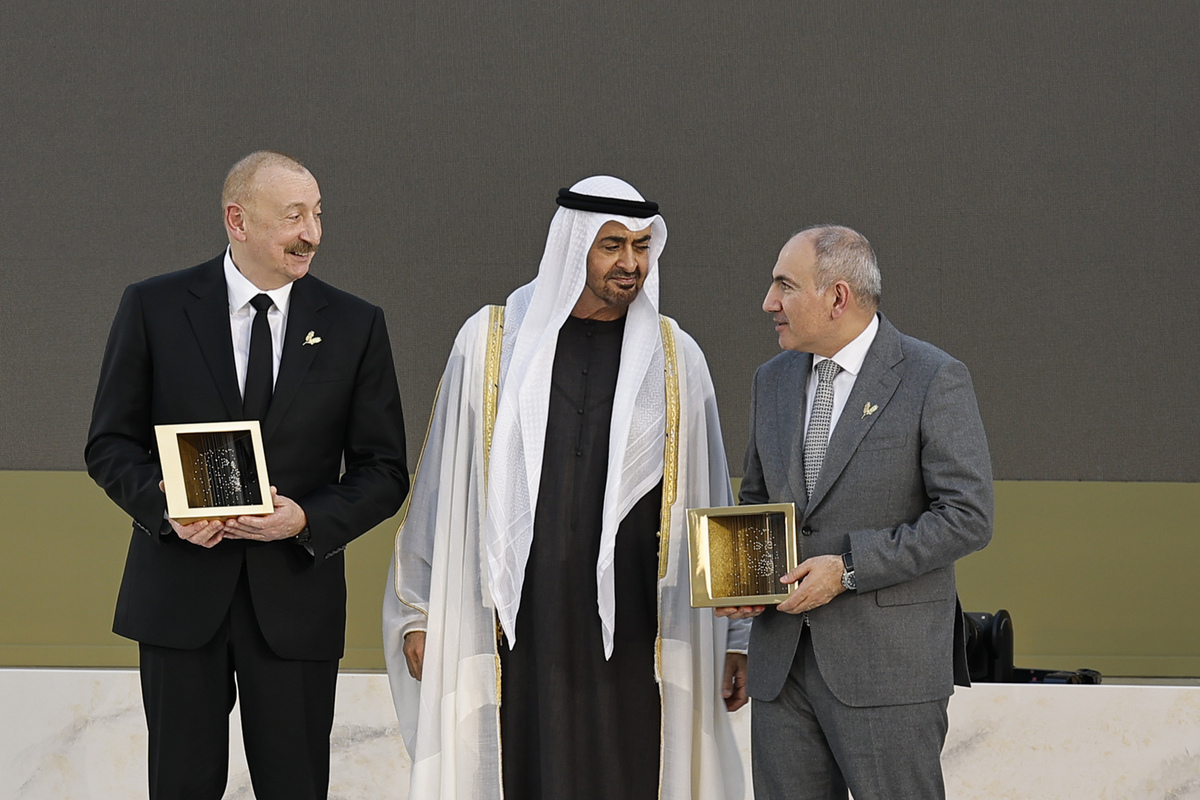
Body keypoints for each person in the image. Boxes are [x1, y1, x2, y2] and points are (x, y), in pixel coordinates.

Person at [383, 176, 748, 800]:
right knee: (524, 761)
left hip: (638, 624)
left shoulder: (676, 356)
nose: (630, 263)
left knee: (635, 765)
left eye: (641, 246)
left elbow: (713, 493)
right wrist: (417, 612)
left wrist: (737, 637)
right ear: (572, 246)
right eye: (612, 245)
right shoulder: (490, 342)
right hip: (520, 620)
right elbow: (441, 487)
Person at [85, 151, 409, 800]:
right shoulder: (153, 306)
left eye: (317, 214)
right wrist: (168, 511)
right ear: (237, 220)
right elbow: (110, 444)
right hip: (179, 599)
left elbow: (384, 470)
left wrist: (307, 518)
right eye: (294, 216)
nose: (312, 233)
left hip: (296, 603)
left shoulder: (355, 324)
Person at [720, 225, 993, 800]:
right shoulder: (771, 381)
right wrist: (744, 589)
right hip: (781, 669)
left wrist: (846, 569)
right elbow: (757, 503)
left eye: (785, 286)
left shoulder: (932, 377)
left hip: (888, 671)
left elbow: (967, 516)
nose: (769, 302)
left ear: (837, 297)